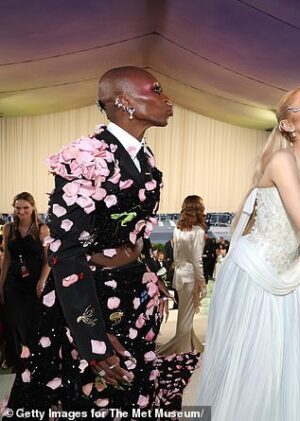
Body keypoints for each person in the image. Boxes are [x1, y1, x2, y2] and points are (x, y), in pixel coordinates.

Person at [5, 66, 198, 414]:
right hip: (89, 298)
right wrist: (92, 340)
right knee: (86, 394)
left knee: (132, 390)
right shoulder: (85, 158)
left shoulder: (146, 158)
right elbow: (66, 250)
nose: (167, 98)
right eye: (156, 90)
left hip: (133, 297)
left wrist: (151, 273)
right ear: (124, 101)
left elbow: (137, 231)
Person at [193, 87, 300, 420]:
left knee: (291, 368)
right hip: (254, 272)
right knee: (255, 370)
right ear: (287, 125)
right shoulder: (281, 161)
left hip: (291, 276)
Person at [0, 193, 51, 370]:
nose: (21, 211)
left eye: (25, 208)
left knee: (31, 320)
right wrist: (1, 285)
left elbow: (48, 260)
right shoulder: (8, 228)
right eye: (18, 208)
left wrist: (42, 281)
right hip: (13, 281)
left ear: (33, 208)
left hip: (34, 281)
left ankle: (31, 356)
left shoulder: (42, 229)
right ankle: (15, 356)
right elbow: (6, 258)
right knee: (11, 320)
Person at [157, 195, 206, 355]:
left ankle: (189, 345)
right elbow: (197, 260)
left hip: (179, 276)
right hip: (191, 278)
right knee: (186, 316)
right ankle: (182, 350)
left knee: (184, 314)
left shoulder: (177, 229)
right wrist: (202, 283)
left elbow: (177, 256)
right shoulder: (198, 232)